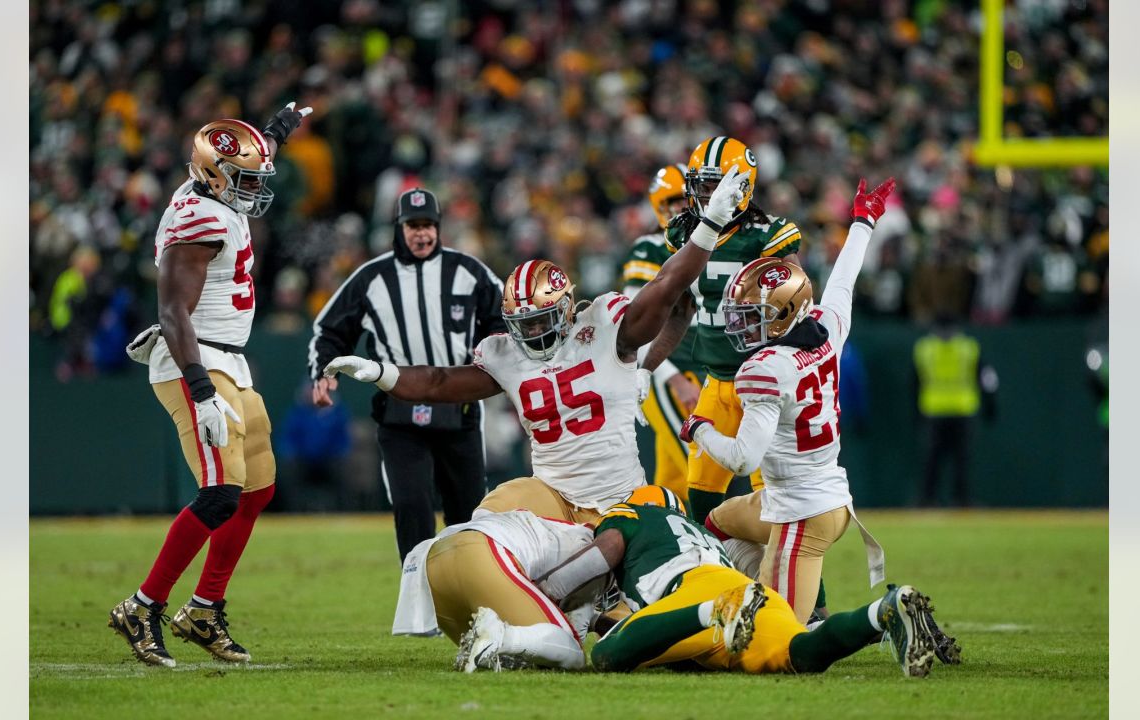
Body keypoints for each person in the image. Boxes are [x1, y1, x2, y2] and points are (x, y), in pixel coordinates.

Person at [324, 168, 753, 526]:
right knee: (487, 524)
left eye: (542, 321)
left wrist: (710, 224)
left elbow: (666, 287)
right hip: (555, 499)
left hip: (620, 497)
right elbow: (438, 382)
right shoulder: (507, 356)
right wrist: (383, 374)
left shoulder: (604, 329)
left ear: (567, 309)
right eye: (523, 324)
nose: (533, 335)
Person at [110, 103, 312, 667]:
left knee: (257, 490)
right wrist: (200, 391)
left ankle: (204, 608)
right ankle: (142, 605)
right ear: (214, 174)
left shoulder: (215, 190)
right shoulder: (198, 218)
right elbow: (173, 311)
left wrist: (274, 132)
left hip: (229, 360)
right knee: (221, 492)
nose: (255, 189)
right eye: (246, 178)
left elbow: (241, 156)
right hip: (194, 360)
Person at [680, 179, 897, 628]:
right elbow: (844, 280)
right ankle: (757, 591)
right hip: (813, 498)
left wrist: (699, 428)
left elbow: (742, 461)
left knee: (781, 641)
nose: (738, 324)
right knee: (715, 525)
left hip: (803, 515)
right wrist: (864, 221)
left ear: (781, 314)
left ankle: (881, 617)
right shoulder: (826, 327)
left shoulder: (765, 370)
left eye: (751, 315)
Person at [528, 486, 958, 677]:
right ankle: (880, 614)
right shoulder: (688, 528)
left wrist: (545, 590)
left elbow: (607, 550)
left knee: (606, 656)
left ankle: (713, 615)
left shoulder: (633, 515)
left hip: (697, 593)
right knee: (800, 654)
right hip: (745, 592)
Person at [308, 187, 505, 562]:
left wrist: (492, 358)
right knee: (412, 507)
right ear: (398, 228)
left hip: (459, 410)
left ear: (439, 227)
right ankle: (421, 605)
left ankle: (469, 600)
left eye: (428, 224)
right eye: (413, 225)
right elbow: (330, 331)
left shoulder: (468, 271)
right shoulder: (371, 278)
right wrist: (323, 372)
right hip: (399, 414)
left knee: (469, 515)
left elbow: (500, 321)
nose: (421, 233)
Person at [663, 136, 805, 523]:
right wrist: (646, 366)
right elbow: (679, 310)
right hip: (716, 382)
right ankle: (727, 581)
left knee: (776, 504)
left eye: (715, 185)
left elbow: (797, 302)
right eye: (701, 185)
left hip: (761, 382)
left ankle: (801, 584)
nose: (705, 194)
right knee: (701, 498)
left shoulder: (766, 235)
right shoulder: (683, 234)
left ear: (741, 187)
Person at [392, 509, 603, 672]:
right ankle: (501, 636)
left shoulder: (556, 530)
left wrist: (595, 620)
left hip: (430, 562)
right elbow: (556, 593)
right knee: (572, 653)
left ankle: (496, 640)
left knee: (517, 660)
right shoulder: (597, 541)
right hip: (482, 555)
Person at [618, 164, 703, 502]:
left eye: (686, 201)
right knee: (697, 466)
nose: (681, 209)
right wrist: (671, 377)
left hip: (704, 361)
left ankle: (666, 540)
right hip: (672, 363)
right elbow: (634, 325)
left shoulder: (712, 242)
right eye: (673, 202)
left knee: (673, 480)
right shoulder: (650, 247)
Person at [912, 313, 998, 507]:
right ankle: (961, 499)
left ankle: (928, 499)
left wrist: (916, 412)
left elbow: (915, 382)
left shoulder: (925, 348)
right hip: (962, 408)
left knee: (934, 459)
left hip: (935, 409)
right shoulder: (968, 347)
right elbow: (986, 378)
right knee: (960, 459)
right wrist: (990, 404)